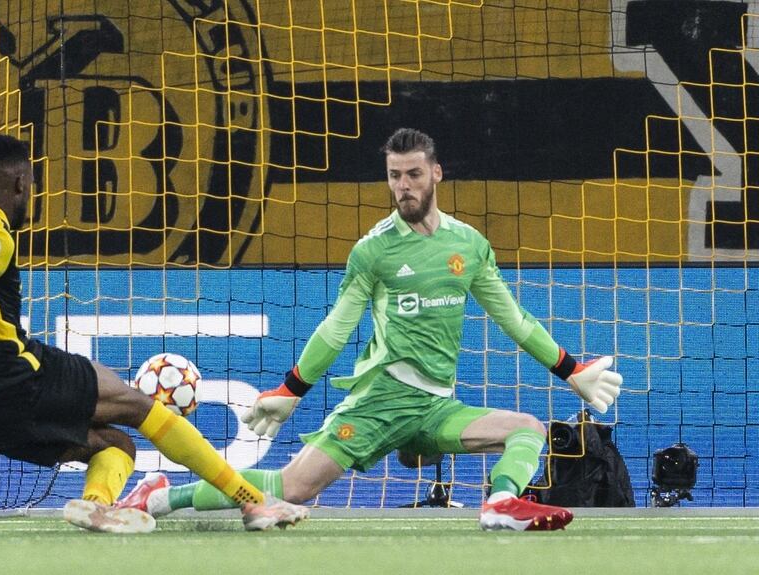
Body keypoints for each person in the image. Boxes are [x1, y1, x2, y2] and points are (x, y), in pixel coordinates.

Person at [116, 128, 623, 531]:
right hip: (382, 400)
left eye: (414, 174)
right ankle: (160, 494)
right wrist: (291, 391)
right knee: (292, 489)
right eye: (395, 176)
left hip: (436, 405)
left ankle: (500, 503)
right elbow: (337, 328)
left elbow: (513, 318)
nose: (404, 186)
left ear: (436, 174)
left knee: (528, 430)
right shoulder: (374, 250)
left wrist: (571, 369)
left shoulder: (468, 246)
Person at [0, 134, 309, 533]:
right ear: (20, 183)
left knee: (115, 444)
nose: (30, 195)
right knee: (139, 406)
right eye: (31, 187)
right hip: (9, 378)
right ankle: (253, 503)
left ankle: (95, 505)